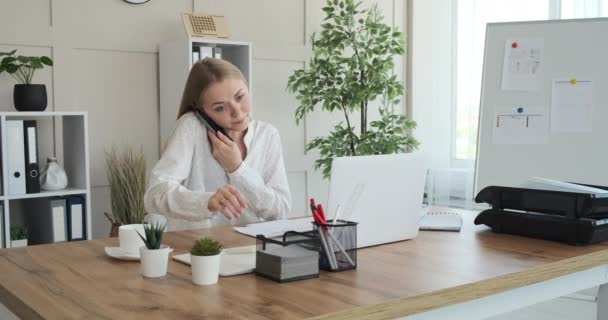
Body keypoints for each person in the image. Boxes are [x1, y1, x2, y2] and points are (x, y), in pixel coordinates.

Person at [144, 57, 291, 231]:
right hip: (199, 251)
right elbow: (156, 194)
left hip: (253, 250)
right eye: (220, 108)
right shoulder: (191, 127)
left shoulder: (267, 135)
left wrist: (237, 168)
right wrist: (207, 202)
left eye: (240, 97)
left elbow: (281, 210)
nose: (237, 112)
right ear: (202, 111)